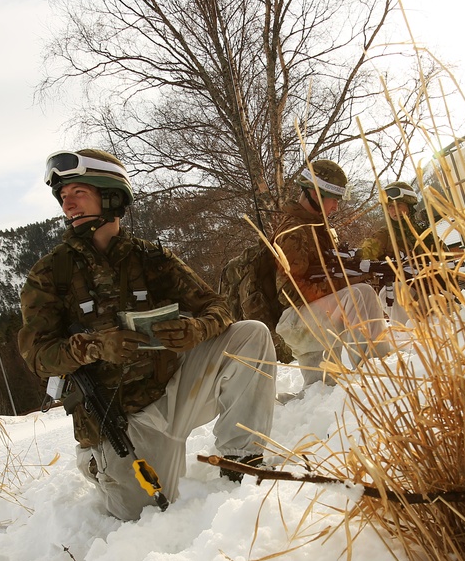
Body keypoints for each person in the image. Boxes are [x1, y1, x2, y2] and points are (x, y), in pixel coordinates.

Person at [18, 149, 276, 520]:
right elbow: (37, 355)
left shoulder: (152, 259)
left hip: (173, 390)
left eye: (78, 192)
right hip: (120, 423)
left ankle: (241, 462)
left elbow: (219, 307)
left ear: (111, 195)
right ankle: (100, 468)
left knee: (250, 335)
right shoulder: (50, 274)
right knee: (147, 526)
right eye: (62, 196)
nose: (67, 203)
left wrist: (196, 329)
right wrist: (95, 347)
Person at [272, 160, 392, 386]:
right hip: (296, 321)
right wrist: (344, 282)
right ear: (315, 195)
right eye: (333, 199)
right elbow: (289, 292)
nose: (336, 206)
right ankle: (381, 376)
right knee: (361, 295)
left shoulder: (317, 229)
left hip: (311, 318)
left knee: (322, 393)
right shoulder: (294, 232)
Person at [360, 181, 437, 324]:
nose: (394, 211)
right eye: (389, 207)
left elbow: (444, 258)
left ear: (409, 205)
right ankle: (405, 337)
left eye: (398, 205)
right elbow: (363, 256)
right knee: (398, 291)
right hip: (397, 291)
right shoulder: (384, 235)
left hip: (427, 290)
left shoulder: (424, 234)